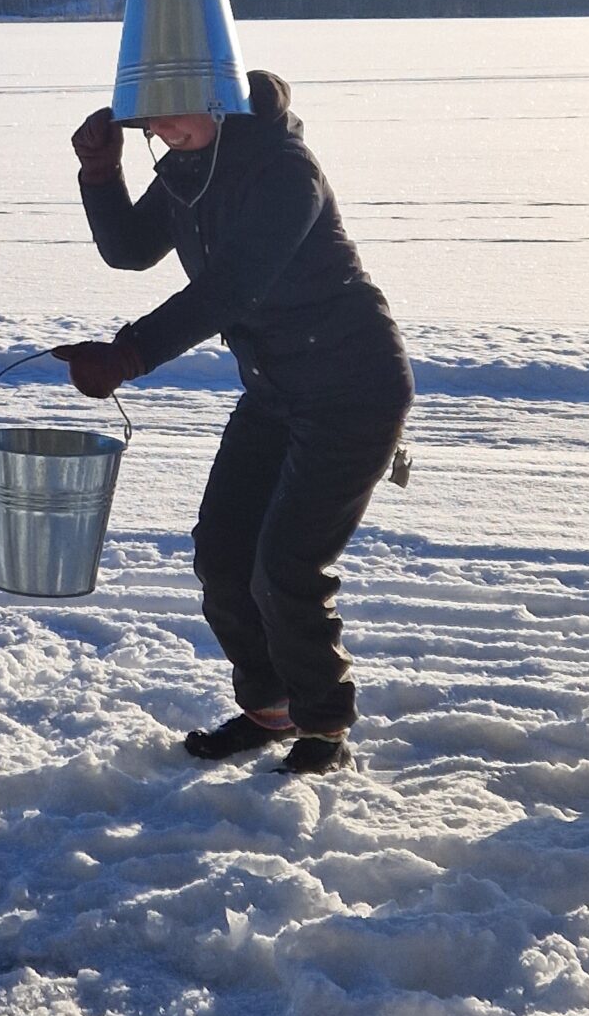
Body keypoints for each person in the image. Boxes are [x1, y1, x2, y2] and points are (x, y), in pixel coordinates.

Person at [55, 71, 412, 774]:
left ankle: (323, 725)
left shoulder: (282, 170)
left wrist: (129, 354)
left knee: (285, 565)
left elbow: (231, 287)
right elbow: (131, 248)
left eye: (169, 115)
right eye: (147, 122)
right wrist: (100, 174)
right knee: (222, 553)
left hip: (353, 387)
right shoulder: (195, 165)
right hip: (276, 388)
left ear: (214, 91)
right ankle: (270, 706)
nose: (160, 131)